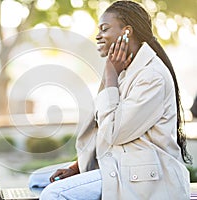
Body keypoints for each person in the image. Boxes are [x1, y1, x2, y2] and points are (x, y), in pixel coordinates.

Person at [29, 1, 192, 199]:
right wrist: (79, 166)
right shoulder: (125, 70)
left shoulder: (151, 76)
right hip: (119, 165)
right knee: (37, 181)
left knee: (55, 193)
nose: (98, 36)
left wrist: (110, 76)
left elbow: (115, 133)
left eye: (104, 29)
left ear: (127, 32)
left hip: (144, 178)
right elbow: (102, 129)